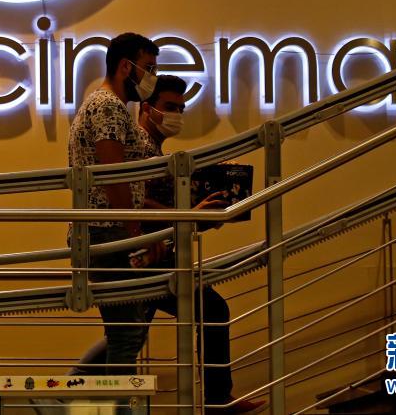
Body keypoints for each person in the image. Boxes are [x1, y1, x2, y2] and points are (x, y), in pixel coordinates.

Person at [72, 75, 264, 414]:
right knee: (208, 310)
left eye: (181, 108)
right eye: (170, 107)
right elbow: (135, 198)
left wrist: (198, 213)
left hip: (151, 248)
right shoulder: (141, 145)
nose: (177, 115)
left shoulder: (156, 149)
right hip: (146, 251)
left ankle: (69, 388)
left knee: (130, 334)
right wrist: (188, 215)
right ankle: (217, 399)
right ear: (147, 109)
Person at [66, 32, 162, 378]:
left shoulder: (106, 105)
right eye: (149, 67)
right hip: (107, 232)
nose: (152, 77)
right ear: (126, 67)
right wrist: (134, 230)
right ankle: (104, 399)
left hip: (106, 232)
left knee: (128, 331)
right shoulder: (108, 106)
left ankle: (71, 395)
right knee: (126, 334)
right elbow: (113, 173)